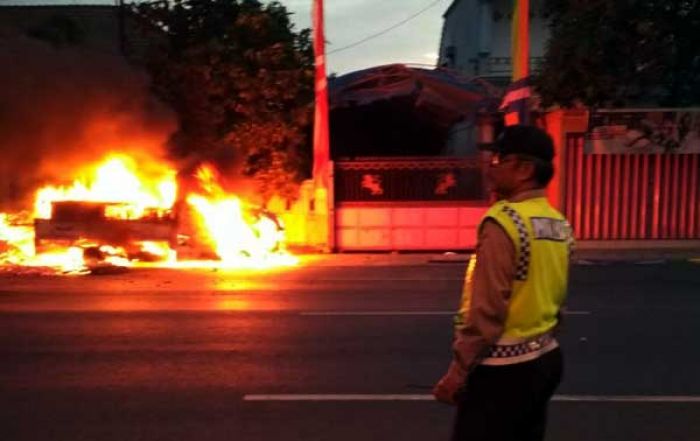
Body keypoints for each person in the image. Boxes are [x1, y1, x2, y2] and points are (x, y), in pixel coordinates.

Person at [433, 125, 574, 441]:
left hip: (504, 369)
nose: (491, 166)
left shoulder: (504, 221)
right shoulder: (556, 222)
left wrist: (458, 371)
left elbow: (487, 310)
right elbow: (557, 294)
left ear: (524, 169)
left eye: (499, 159)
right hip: (546, 358)